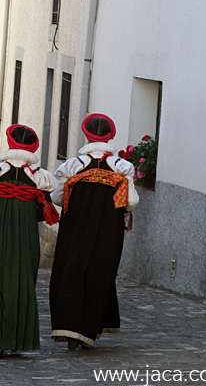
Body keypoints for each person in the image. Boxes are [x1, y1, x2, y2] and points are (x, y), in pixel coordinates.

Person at [0, 124, 58, 359]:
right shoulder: (39, 178)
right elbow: (42, 211)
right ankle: (15, 339)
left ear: (10, 143)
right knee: (22, 281)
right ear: (32, 146)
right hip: (26, 235)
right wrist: (23, 216)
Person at [49, 113, 139, 351]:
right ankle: (89, 330)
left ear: (86, 134)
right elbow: (130, 202)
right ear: (111, 136)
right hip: (108, 227)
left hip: (75, 225)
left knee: (71, 268)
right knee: (101, 271)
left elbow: (57, 197)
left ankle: (69, 327)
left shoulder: (71, 166)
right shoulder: (123, 167)